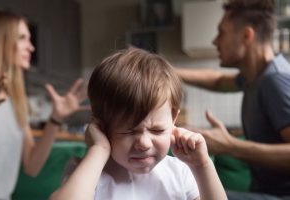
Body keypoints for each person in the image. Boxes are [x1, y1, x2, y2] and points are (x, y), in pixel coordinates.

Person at [49, 47, 227, 200]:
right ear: (101, 128)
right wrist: (99, 151)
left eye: (157, 130)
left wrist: (201, 166)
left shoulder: (180, 172)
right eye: (128, 132)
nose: (144, 143)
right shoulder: (87, 173)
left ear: (173, 120)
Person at [0, 10, 90, 199]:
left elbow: (32, 166)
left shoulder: (15, 100)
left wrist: (55, 119)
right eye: (22, 38)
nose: (31, 47)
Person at [175, 0, 290, 199]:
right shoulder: (255, 77)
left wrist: (229, 146)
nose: (215, 41)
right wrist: (163, 69)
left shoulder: (275, 80)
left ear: (246, 36)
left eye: (222, 33)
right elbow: (218, 80)